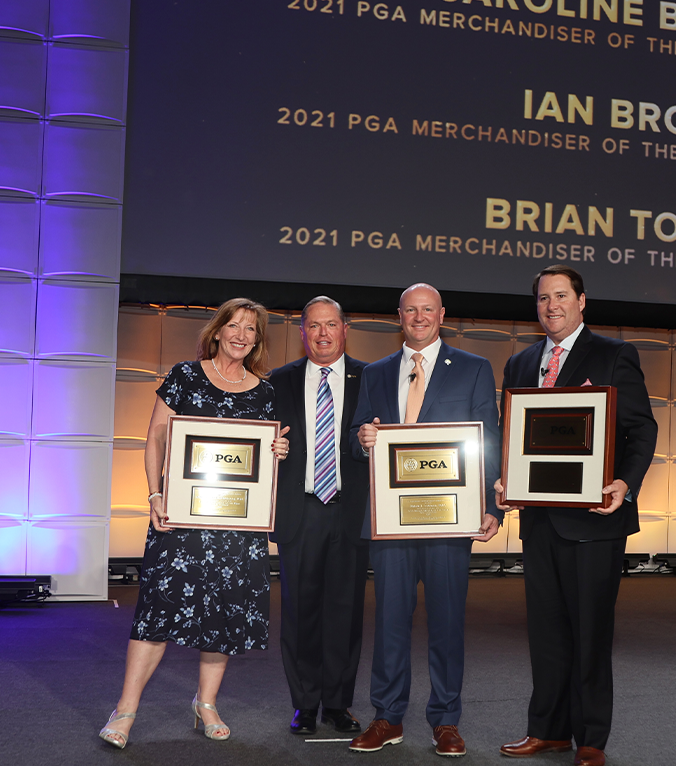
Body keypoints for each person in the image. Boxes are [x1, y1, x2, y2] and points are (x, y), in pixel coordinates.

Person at [99, 299, 291, 748]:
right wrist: (155, 494)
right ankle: (124, 710)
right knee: (155, 615)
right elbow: (156, 437)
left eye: (252, 330)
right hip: (180, 519)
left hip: (236, 528)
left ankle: (206, 704)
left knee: (223, 617)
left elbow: (258, 465)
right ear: (218, 330)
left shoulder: (265, 393)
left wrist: (277, 455)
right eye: (235, 326)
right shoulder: (186, 375)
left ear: (258, 340)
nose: (242, 335)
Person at [495, 265, 657, 766]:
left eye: (561, 296)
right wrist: (502, 480)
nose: (551, 306)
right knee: (545, 631)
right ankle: (546, 729)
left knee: (590, 632)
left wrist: (624, 485)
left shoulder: (614, 354)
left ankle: (590, 738)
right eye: (543, 298)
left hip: (595, 521)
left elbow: (641, 430)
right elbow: (511, 439)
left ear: (582, 301)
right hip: (540, 520)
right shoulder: (520, 365)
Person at [346, 283, 501, 757]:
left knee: (447, 622)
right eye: (411, 310)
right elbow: (354, 436)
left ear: (442, 315)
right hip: (391, 519)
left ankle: (445, 720)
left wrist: (490, 507)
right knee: (390, 620)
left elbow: (487, 439)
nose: (419, 317)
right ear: (399, 317)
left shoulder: (474, 369)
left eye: (427, 310)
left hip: (449, 519)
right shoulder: (375, 373)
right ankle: (387, 717)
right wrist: (364, 437)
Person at [268, 296, 368, 736]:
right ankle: (305, 704)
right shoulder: (278, 381)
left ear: (345, 329)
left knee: (346, 615)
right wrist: (272, 453)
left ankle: (339, 704)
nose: (322, 334)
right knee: (300, 613)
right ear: (302, 332)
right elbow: (259, 444)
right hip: (300, 511)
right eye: (313, 326)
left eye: (331, 325)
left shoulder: (372, 378)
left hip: (351, 512)